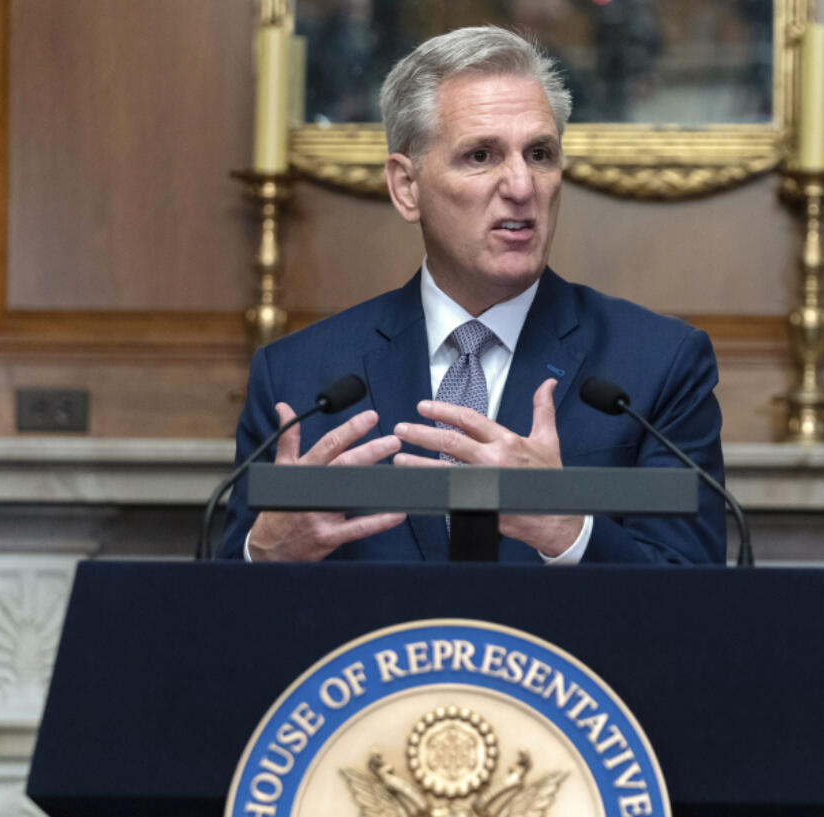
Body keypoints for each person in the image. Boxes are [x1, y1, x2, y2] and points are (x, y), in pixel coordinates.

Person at [219, 25, 726, 565]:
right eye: (481, 156)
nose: (522, 186)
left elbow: (700, 606)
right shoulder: (299, 379)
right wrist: (265, 555)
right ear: (406, 188)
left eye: (539, 154)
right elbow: (211, 623)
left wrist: (568, 529)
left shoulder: (657, 365)